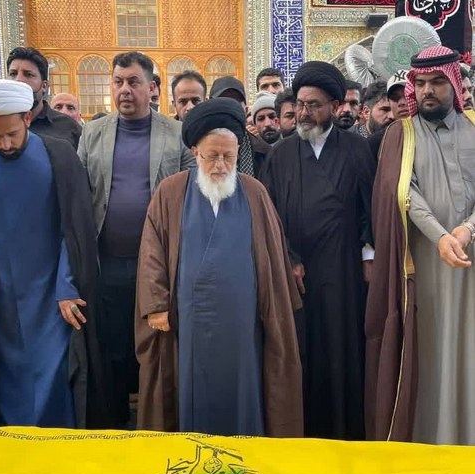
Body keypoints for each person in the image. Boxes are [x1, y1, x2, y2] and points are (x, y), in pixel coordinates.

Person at [135, 98, 303, 437]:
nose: (221, 165)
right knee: (190, 388)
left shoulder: (254, 192)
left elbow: (272, 257)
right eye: (212, 156)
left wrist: (274, 310)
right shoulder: (171, 192)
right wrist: (156, 304)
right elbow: (152, 251)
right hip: (187, 319)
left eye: (229, 156)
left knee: (244, 384)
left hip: (244, 320)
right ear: (195, 152)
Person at [0, 80, 106, 427]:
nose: (5, 144)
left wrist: (67, 286)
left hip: (51, 295)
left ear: (28, 119)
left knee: (55, 374)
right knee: (6, 375)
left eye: (12, 134)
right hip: (0, 299)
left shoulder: (58, 156)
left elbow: (73, 229)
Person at [78, 51, 195, 427]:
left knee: (155, 346)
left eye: (133, 82)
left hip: (159, 267)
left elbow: (190, 196)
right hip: (108, 264)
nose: (124, 90)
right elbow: (81, 196)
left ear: (152, 87)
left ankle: (155, 422)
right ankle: (115, 425)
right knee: (113, 348)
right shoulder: (92, 133)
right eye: (118, 82)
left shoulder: (177, 134)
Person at [366, 46, 475, 445]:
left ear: (455, 83)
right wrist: (442, 237)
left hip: (470, 261)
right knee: (430, 350)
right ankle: (430, 441)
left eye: (437, 82)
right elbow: (405, 195)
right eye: (422, 83)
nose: (428, 90)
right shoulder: (401, 134)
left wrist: (467, 231)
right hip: (423, 266)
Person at [261, 61, 375, 440]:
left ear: (335, 106)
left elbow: (370, 209)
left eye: (314, 105)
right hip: (296, 275)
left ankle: (345, 434)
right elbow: (269, 216)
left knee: (341, 350)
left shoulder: (357, 150)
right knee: (300, 349)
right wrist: (289, 259)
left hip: (343, 271)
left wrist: (368, 256)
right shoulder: (280, 155)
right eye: (300, 104)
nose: (305, 113)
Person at [7, 47, 82, 149]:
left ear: (44, 86)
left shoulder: (69, 127)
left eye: (28, 74)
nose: (19, 80)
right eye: (13, 74)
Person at [209, 76, 269, 177]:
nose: (229, 109)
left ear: (245, 111)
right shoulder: (197, 149)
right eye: (222, 102)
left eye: (234, 103)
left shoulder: (263, 152)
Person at [367, 71, 409, 159]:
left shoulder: (434, 131)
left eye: (407, 95)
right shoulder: (375, 143)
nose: (402, 102)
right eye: (395, 98)